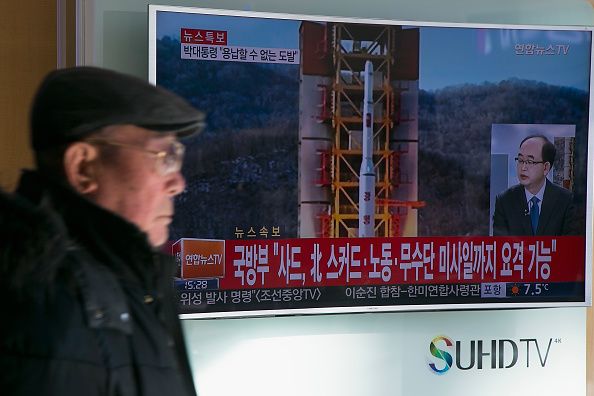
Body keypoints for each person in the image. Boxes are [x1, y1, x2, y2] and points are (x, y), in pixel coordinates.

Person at [0, 66, 205, 395]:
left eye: (177, 156)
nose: (178, 183)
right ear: (83, 167)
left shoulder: (130, 282)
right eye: (163, 156)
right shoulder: (43, 310)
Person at [492, 135, 579, 236]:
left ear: (546, 168)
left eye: (530, 162)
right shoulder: (505, 201)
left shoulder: (565, 200)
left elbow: (570, 246)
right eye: (520, 160)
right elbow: (500, 246)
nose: (523, 168)